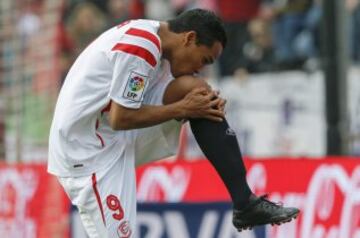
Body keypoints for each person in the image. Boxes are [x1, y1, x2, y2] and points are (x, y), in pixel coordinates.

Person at [48, 9, 299, 237]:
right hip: (86, 152)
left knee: (197, 92)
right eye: (204, 60)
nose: (200, 68)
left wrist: (196, 105)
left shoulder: (157, 38)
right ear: (189, 38)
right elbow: (120, 118)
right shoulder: (142, 48)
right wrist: (183, 108)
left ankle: (245, 202)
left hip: (108, 134)